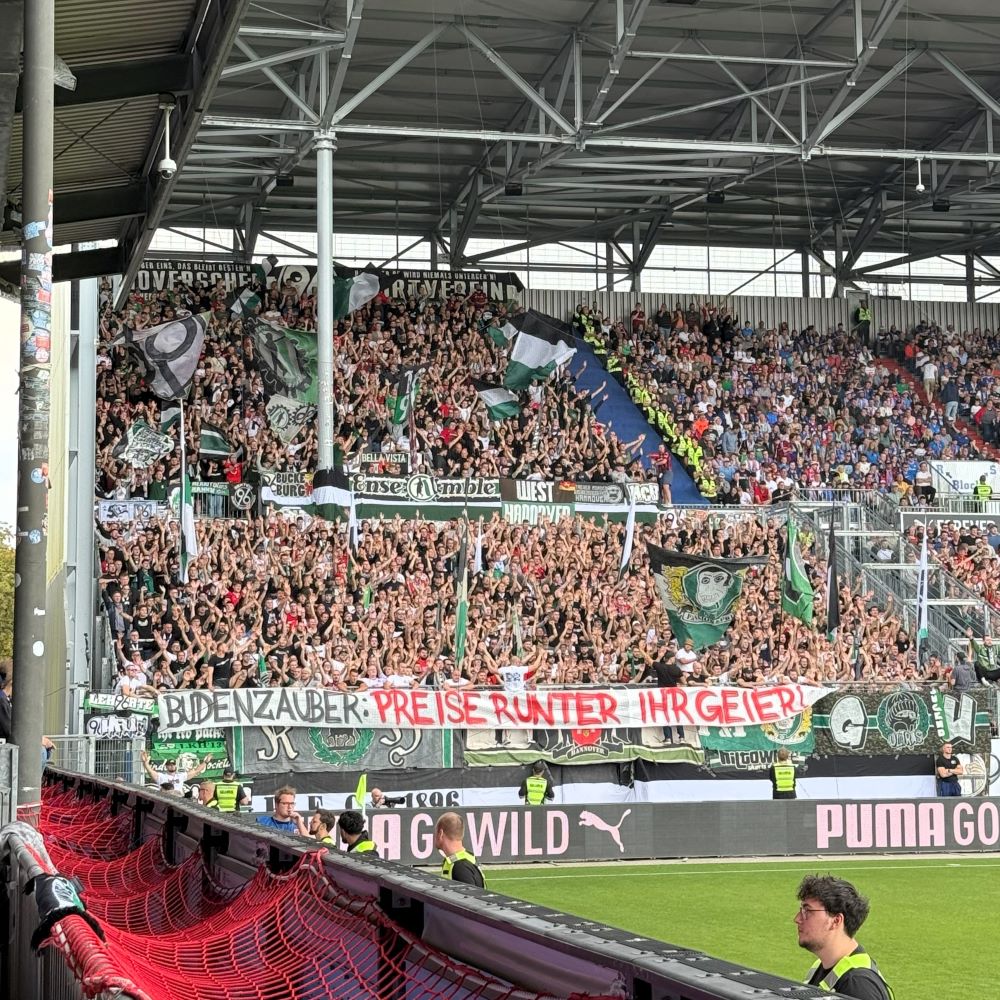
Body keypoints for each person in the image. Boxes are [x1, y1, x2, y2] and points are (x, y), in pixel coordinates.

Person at [795, 875, 893, 1000]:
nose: (797, 919)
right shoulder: (822, 966)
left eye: (807, 911)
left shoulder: (858, 985)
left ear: (836, 921)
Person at [434, 812, 486, 888]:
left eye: (435, 832)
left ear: (441, 834)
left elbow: (468, 895)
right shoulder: (458, 861)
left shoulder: (460, 868)